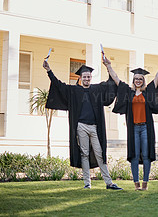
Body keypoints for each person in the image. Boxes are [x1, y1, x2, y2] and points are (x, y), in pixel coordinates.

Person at [43, 59, 122, 190]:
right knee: (84, 153)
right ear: (80, 78)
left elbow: (111, 83)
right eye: (84, 76)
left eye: (88, 77)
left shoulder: (97, 89)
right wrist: (49, 71)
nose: (87, 78)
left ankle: (109, 183)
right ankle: (87, 183)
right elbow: (58, 85)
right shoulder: (73, 90)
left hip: (95, 127)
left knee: (100, 153)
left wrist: (108, 67)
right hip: (81, 126)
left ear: (91, 78)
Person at [105, 56, 158, 191]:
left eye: (140, 79)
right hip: (133, 128)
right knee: (133, 155)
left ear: (143, 80)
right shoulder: (128, 92)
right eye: (136, 79)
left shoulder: (148, 92)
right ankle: (136, 184)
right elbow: (116, 79)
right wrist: (108, 66)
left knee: (146, 155)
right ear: (133, 81)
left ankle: (145, 184)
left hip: (145, 127)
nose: (138, 81)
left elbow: (157, 77)